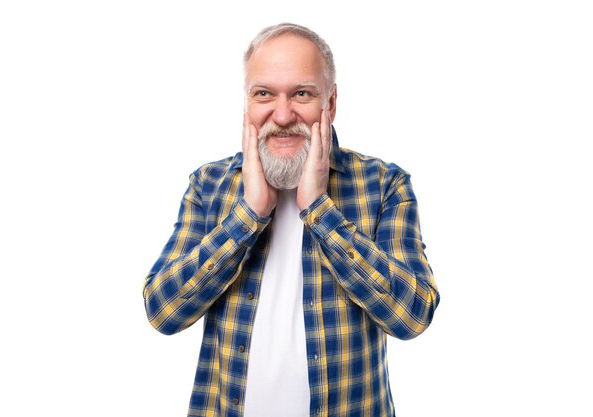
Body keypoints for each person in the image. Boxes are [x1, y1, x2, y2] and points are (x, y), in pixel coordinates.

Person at [143, 23, 440, 417]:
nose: (282, 115)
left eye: (301, 93)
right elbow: (162, 311)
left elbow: (413, 315)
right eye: (264, 93)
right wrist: (248, 215)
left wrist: (319, 210)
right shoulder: (208, 184)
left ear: (330, 103)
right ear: (247, 103)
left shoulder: (384, 184)